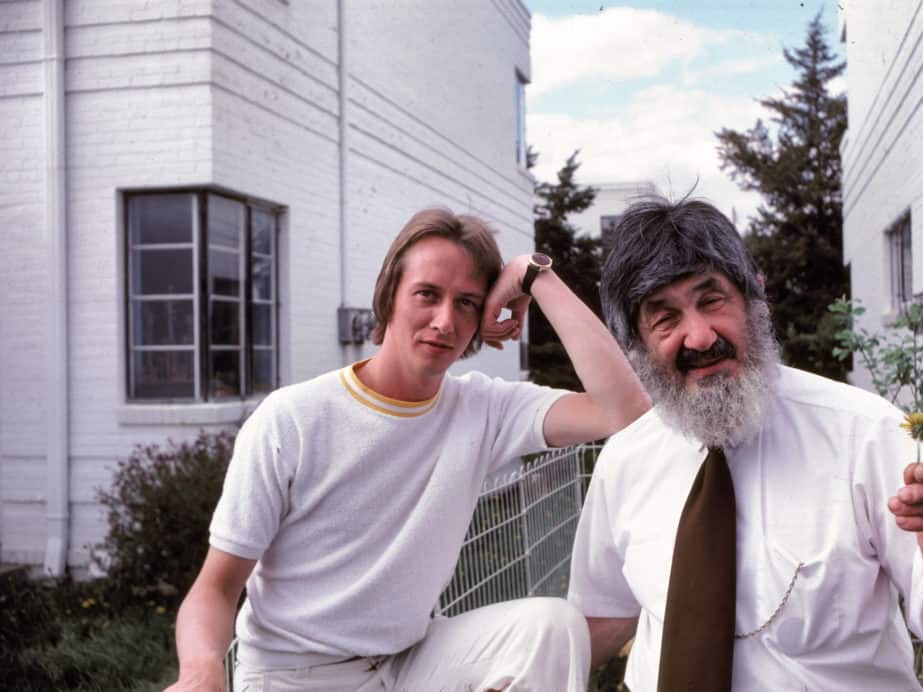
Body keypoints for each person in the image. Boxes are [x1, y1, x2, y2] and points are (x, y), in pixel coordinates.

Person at [166, 208, 650, 692]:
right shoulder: (291, 419)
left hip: (410, 663)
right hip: (294, 675)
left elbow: (624, 410)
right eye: (427, 295)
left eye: (466, 303)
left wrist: (533, 275)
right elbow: (216, 589)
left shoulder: (484, 408)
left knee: (553, 627)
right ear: (389, 296)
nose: (445, 321)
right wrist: (201, 671)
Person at [568, 196, 923, 690]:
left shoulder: (865, 434)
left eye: (712, 300)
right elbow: (604, 617)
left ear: (754, 297)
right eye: (664, 318)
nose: (698, 336)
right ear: (638, 346)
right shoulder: (625, 459)